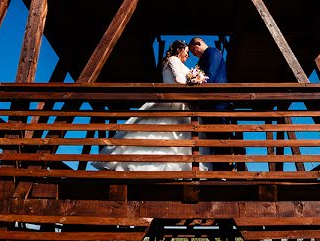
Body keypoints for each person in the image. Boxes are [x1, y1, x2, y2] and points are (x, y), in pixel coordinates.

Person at [91, 41, 206, 171]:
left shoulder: (172, 61)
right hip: (174, 101)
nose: (187, 55)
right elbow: (179, 80)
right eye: (186, 51)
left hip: (179, 102)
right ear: (179, 50)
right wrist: (195, 82)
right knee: (167, 134)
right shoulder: (173, 59)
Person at [188, 37, 236, 171]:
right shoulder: (203, 58)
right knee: (212, 138)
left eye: (193, 50)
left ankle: (225, 169)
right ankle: (219, 169)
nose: (193, 53)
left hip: (217, 102)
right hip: (210, 104)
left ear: (199, 43)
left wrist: (196, 86)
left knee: (220, 137)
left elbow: (210, 75)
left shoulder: (213, 53)